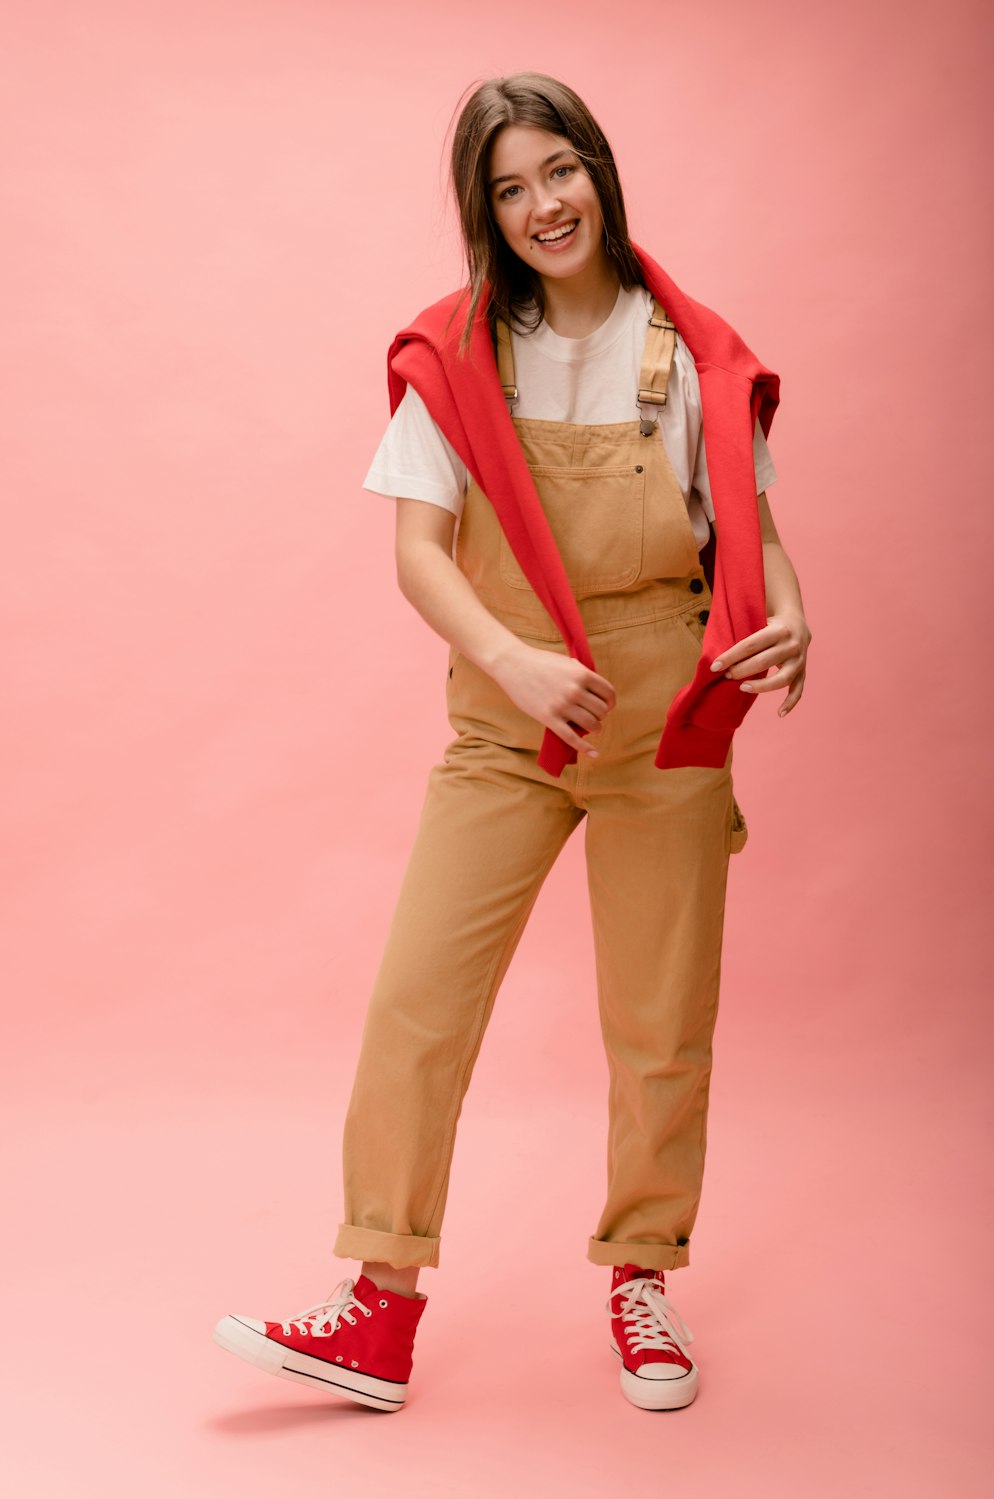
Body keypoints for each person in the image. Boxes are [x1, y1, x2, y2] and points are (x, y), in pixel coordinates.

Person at [213, 71, 811, 1414]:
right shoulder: (458, 353)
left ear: (599, 170)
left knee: (661, 1028)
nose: (544, 205)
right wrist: (513, 656)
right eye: (510, 187)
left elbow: (752, 534)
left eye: (560, 171)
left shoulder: (694, 351)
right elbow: (420, 554)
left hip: (667, 719)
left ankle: (642, 1276)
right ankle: (377, 1308)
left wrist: (796, 615)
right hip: (507, 718)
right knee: (416, 1006)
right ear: (484, 212)